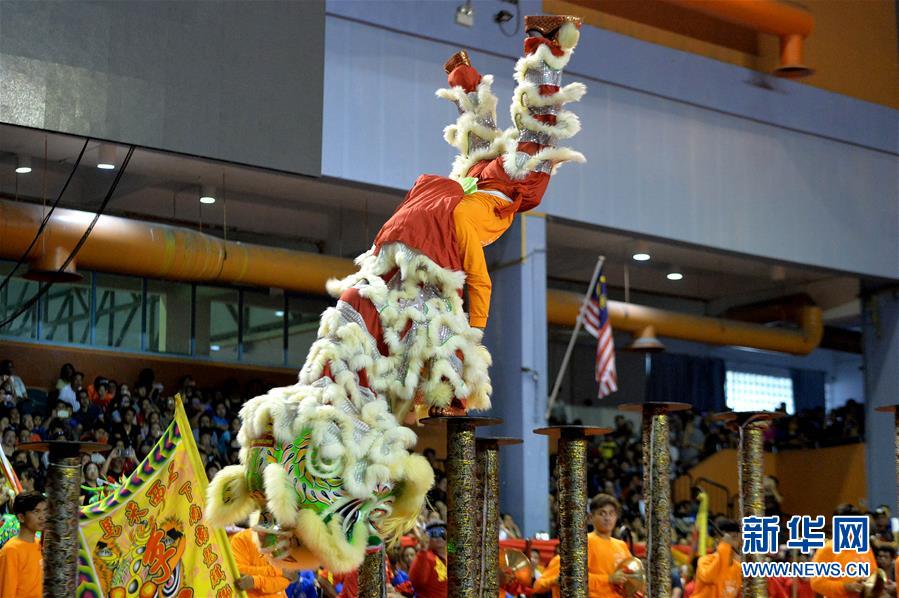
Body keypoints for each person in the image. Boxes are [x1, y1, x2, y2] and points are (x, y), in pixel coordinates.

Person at [534, 493, 633, 597]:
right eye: (602, 513)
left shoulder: (622, 546)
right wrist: (609, 579)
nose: (607, 518)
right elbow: (572, 577)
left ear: (616, 517)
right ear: (590, 517)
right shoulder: (582, 543)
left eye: (611, 513)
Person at [0, 491, 47, 598]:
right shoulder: (11, 551)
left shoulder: (38, 544)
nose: (42, 517)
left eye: (45, 511)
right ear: (21, 517)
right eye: (36, 511)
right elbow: (7, 593)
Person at [230, 527, 291, 597]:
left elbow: (285, 581)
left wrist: (255, 582)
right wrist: (277, 571)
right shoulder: (242, 539)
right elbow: (239, 573)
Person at [692, 517, 742, 598]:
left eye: (734, 537)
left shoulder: (738, 568)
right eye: (728, 539)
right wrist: (725, 547)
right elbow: (709, 577)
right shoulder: (704, 561)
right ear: (717, 541)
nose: (731, 542)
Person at [409, 521, 448, 598]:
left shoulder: (449, 550)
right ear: (427, 538)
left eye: (442, 533)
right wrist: (423, 550)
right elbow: (417, 582)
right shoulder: (426, 556)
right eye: (434, 534)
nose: (439, 537)